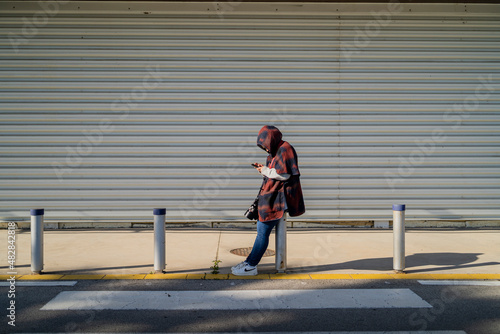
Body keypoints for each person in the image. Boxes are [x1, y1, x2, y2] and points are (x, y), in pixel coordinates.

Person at [232, 125, 305, 276]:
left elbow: (285, 175)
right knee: (261, 231)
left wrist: (265, 170)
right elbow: (276, 173)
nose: (265, 149)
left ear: (271, 140)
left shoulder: (285, 149)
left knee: (262, 232)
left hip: (277, 200)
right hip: (270, 197)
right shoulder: (275, 151)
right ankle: (249, 262)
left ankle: (251, 266)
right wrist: (263, 169)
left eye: (265, 145)